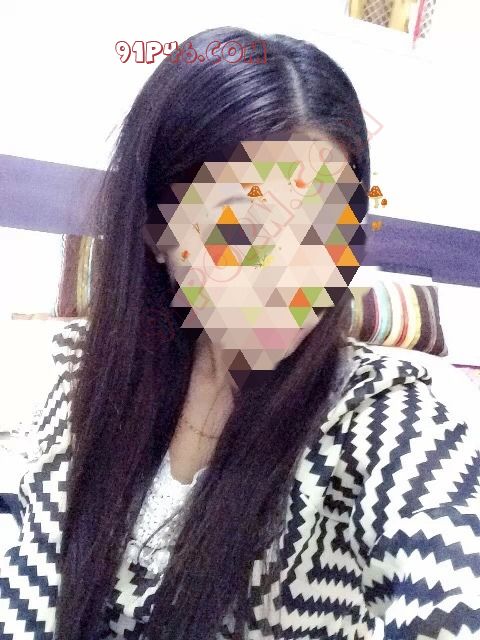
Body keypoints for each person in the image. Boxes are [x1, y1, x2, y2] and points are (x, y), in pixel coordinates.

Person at [1, 26, 479, 640]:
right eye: (241, 230)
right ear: (157, 233)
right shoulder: (82, 373)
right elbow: (33, 579)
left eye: (323, 228)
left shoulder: (383, 415)